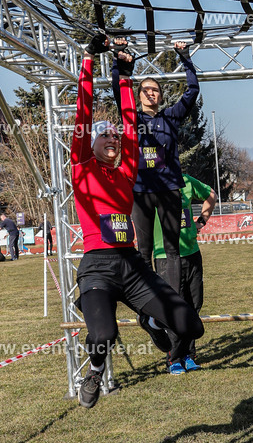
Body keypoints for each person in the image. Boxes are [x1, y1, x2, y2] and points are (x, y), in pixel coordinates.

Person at [72, 33, 204, 409]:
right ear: (90, 143)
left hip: (132, 267)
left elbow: (130, 124)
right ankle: (94, 373)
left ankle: (151, 320)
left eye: (115, 136)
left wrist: (126, 76)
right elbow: (83, 112)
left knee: (191, 325)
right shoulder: (81, 167)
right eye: (104, 136)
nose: (112, 138)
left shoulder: (127, 171)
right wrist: (88, 59)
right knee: (103, 335)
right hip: (98, 267)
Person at [112, 38, 200, 294]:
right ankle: (148, 301)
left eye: (155, 90)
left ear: (161, 96)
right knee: (144, 250)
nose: (151, 93)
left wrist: (185, 58)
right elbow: (118, 91)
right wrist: (119, 60)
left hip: (169, 190)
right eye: (146, 89)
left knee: (172, 249)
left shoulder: (171, 117)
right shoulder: (131, 117)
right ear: (138, 95)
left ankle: (173, 301)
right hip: (140, 192)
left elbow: (192, 90)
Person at [153, 173, 217, 373]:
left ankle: (189, 355)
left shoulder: (186, 180)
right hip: (165, 256)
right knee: (174, 307)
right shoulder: (149, 183)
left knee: (193, 305)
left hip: (192, 254)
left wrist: (201, 221)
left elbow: (211, 194)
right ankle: (174, 358)